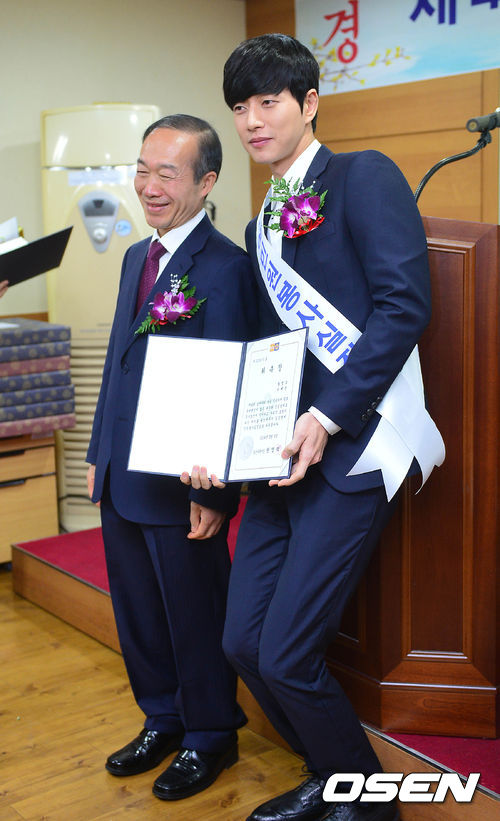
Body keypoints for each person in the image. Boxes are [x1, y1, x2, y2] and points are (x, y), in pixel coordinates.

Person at [185, 33, 442, 821]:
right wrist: (229, 445)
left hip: (354, 447)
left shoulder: (362, 176)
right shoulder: (262, 221)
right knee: (242, 642)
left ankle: (364, 798)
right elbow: (270, 352)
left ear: (310, 102)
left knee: (289, 651)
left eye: (269, 102)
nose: (252, 121)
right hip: (281, 458)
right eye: (240, 107)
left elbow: (404, 305)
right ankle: (332, 774)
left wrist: (327, 416)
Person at [86, 114, 256, 802]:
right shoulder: (137, 256)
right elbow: (118, 360)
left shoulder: (227, 267)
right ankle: (162, 717)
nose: (148, 186)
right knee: (139, 616)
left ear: (206, 182)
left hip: (183, 483)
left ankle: (210, 734)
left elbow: (232, 380)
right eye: (141, 169)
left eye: (166, 173)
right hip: (122, 472)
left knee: (194, 615)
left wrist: (217, 493)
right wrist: (98, 450)